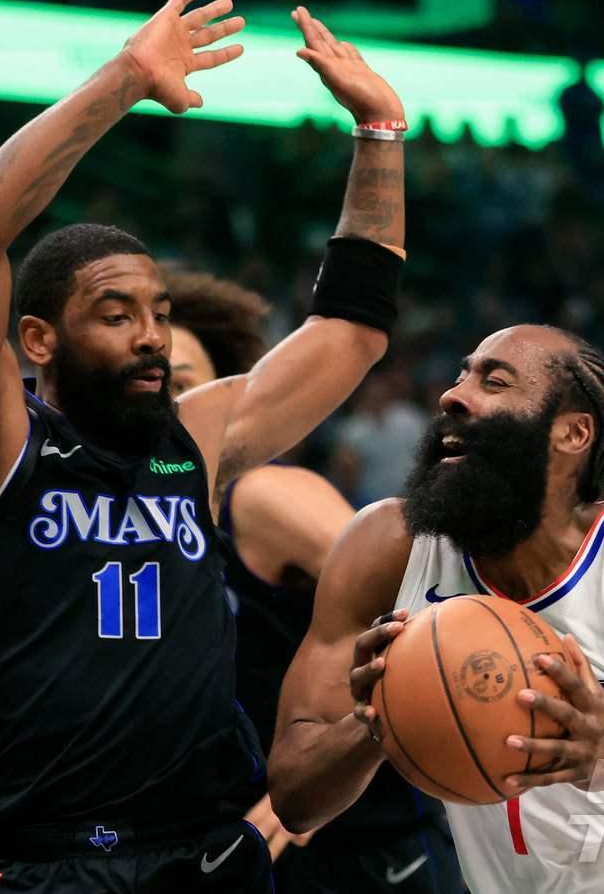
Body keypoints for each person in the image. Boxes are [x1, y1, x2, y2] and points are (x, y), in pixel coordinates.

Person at [0, 0, 406, 893]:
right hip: (49, 866)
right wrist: (124, 81)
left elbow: (351, 334)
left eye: (159, 312)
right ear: (38, 340)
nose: (148, 334)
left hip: (207, 856)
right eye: (115, 313)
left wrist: (379, 137)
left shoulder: (193, 440)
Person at [269, 325, 604, 893]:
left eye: (494, 383)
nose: (453, 395)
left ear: (572, 433)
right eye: (461, 374)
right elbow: (294, 798)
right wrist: (377, 719)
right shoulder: (386, 549)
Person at [164, 268, 464, 891]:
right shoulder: (116, 531)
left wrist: (305, 784)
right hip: (214, 846)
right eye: (153, 387)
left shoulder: (260, 494)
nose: (172, 407)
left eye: (185, 386)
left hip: (361, 845)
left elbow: (427, 611)